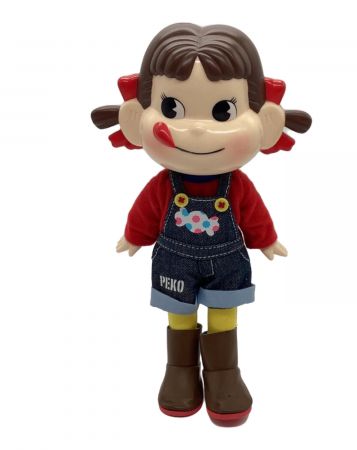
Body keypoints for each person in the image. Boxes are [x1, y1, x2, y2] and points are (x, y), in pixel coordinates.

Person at [91, 22, 311, 426]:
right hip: (175, 262)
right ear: (136, 115)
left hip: (226, 263)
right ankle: (180, 369)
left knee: (224, 314)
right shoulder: (164, 185)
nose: (195, 129)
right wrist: (134, 236)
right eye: (171, 109)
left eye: (223, 111)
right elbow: (146, 211)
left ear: (264, 120)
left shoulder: (237, 185)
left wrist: (266, 239)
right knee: (180, 315)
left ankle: (224, 373)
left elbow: (253, 213)